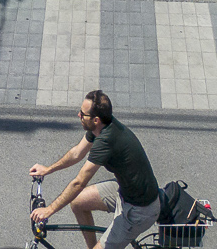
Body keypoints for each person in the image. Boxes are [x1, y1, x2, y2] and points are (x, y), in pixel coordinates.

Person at [30, 89, 160, 249]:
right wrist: (47, 169)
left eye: (82, 114)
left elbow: (79, 182)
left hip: (139, 209)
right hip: (124, 191)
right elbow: (77, 152)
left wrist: (48, 210)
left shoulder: (106, 140)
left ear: (96, 120)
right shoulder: (99, 128)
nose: (78, 115)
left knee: (76, 193)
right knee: (77, 202)